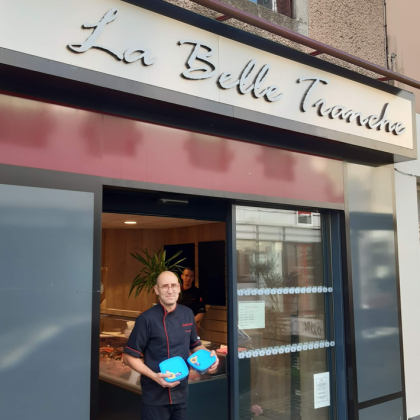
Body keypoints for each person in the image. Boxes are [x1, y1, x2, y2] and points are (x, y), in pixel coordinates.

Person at [123, 271, 219, 420]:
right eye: (165, 286)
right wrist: (155, 377)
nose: (170, 290)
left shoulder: (187, 314)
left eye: (173, 286)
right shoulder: (146, 319)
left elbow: (195, 345)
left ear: (179, 288)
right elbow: (129, 357)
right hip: (155, 397)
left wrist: (210, 357)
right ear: (156, 290)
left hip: (181, 394)